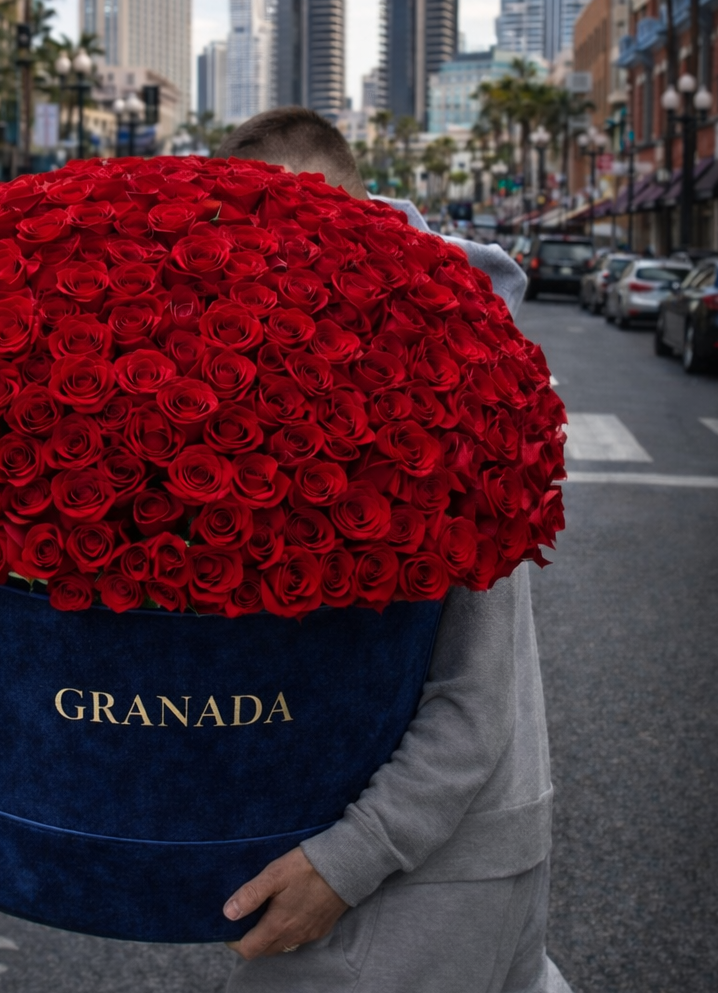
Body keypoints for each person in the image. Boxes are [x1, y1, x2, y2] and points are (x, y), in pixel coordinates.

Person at [214, 108, 573, 993]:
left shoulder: (446, 386)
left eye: (306, 237)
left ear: (365, 223)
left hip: (429, 874)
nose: (279, 272)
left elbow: (475, 700)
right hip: (457, 854)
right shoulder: (322, 372)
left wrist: (348, 862)